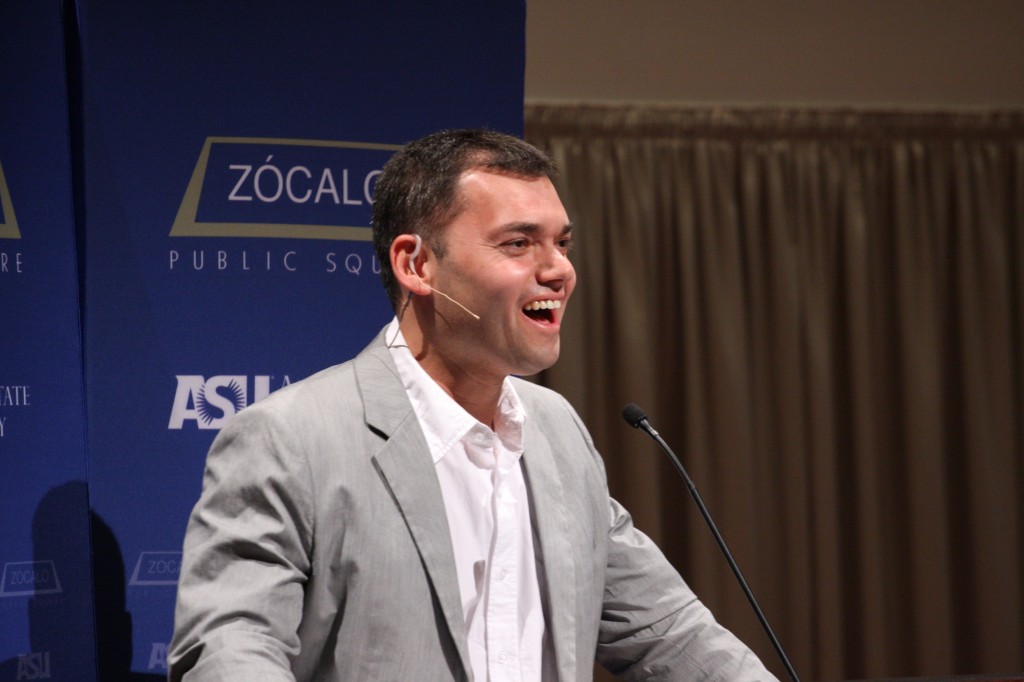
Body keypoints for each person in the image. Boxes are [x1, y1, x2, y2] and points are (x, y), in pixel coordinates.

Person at [168, 129, 777, 681]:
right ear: (417, 264)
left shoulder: (556, 431)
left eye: (561, 244)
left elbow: (665, 632)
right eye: (518, 243)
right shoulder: (291, 438)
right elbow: (230, 652)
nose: (559, 269)